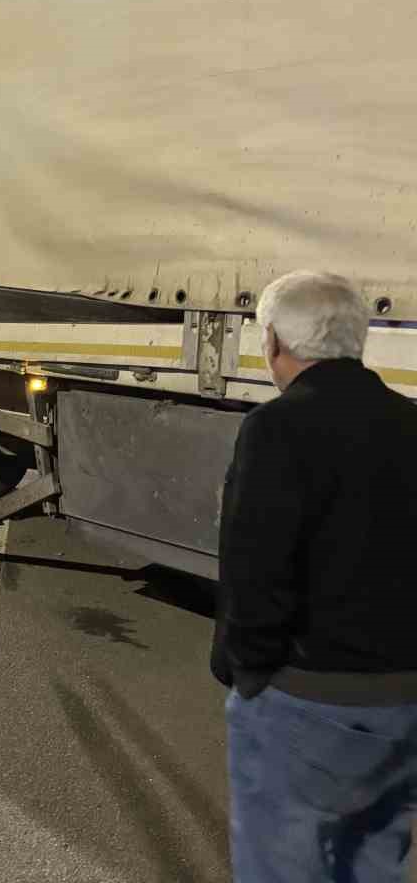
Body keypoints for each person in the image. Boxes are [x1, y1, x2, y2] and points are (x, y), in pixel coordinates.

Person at [213, 270, 417, 882]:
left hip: (307, 701)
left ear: (273, 342)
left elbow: (254, 573)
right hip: (404, 702)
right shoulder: (412, 423)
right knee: (375, 864)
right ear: (358, 340)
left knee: (282, 868)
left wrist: (245, 671)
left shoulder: (278, 428)